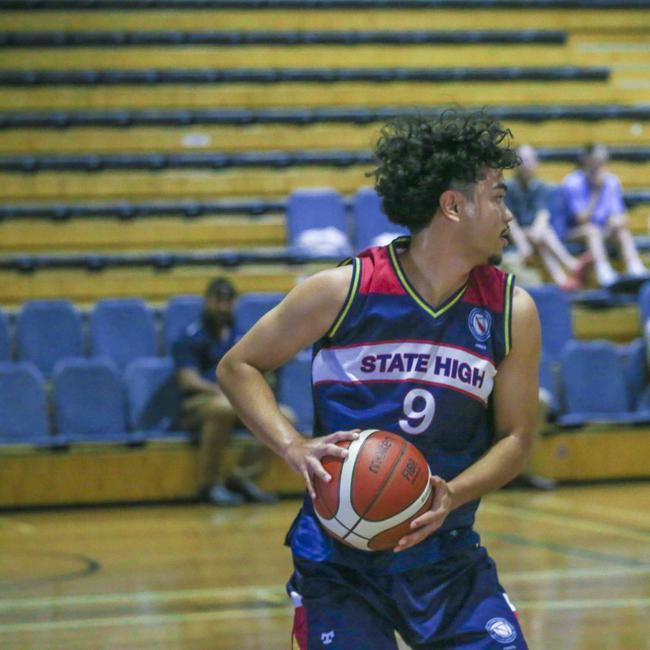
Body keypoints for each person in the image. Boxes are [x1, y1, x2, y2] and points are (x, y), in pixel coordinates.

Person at [217, 112, 539, 648]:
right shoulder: (343, 290)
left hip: (447, 559)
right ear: (453, 206)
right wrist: (293, 446)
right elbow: (238, 366)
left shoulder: (511, 310)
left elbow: (517, 439)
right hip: (338, 565)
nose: (509, 215)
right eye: (499, 197)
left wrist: (453, 494)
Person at [172, 277, 278, 506]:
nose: (222, 306)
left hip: (235, 403)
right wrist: (227, 394)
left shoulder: (241, 337)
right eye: (217, 300)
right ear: (206, 301)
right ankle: (209, 485)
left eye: (228, 301)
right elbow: (188, 380)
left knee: (283, 416)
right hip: (198, 404)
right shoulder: (190, 336)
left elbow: (259, 372)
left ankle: (241, 478)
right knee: (223, 408)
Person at [506, 144, 591, 291]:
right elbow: (510, 221)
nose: (527, 164)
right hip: (513, 237)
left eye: (531, 159)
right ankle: (570, 264)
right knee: (544, 234)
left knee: (543, 234)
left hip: (535, 236)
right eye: (523, 160)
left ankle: (561, 280)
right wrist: (522, 244)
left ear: (536, 162)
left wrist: (536, 233)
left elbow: (542, 216)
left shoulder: (542, 188)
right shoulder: (508, 188)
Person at [562, 143, 648, 287]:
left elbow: (620, 215)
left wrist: (616, 222)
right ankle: (604, 272)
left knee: (621, 229)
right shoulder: (572, 182)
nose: (600, 166)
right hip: (575, 232)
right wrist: (596, 191)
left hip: (604, 230)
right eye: (596, 162)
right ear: (586, 161)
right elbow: (581, 219)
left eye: (603, 162)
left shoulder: (612, 181)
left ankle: (635, 267)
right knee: (592, 230)